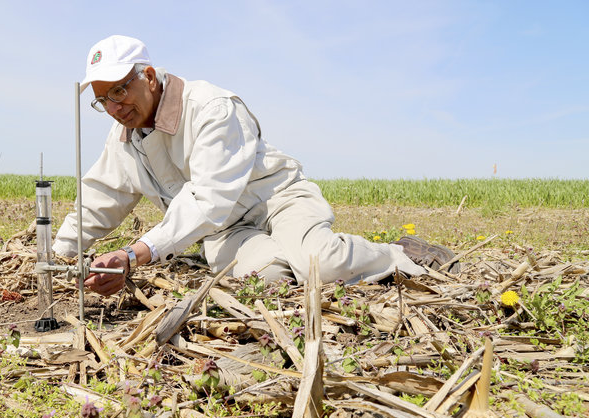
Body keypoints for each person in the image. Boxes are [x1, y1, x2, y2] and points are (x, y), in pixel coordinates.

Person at [54, 35, 456, 297]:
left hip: (277, 201)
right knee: (266, 281)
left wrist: (135, 254)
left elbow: (207, 199)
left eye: (121, 89)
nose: (114, 107)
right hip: (227, 230)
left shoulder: (211, 108)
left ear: (150, 76)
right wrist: (57, 256)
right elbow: (101, 197)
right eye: (103, 99)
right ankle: (303, 258)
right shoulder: (124, 138)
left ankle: (399, 253)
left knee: (321, 262)